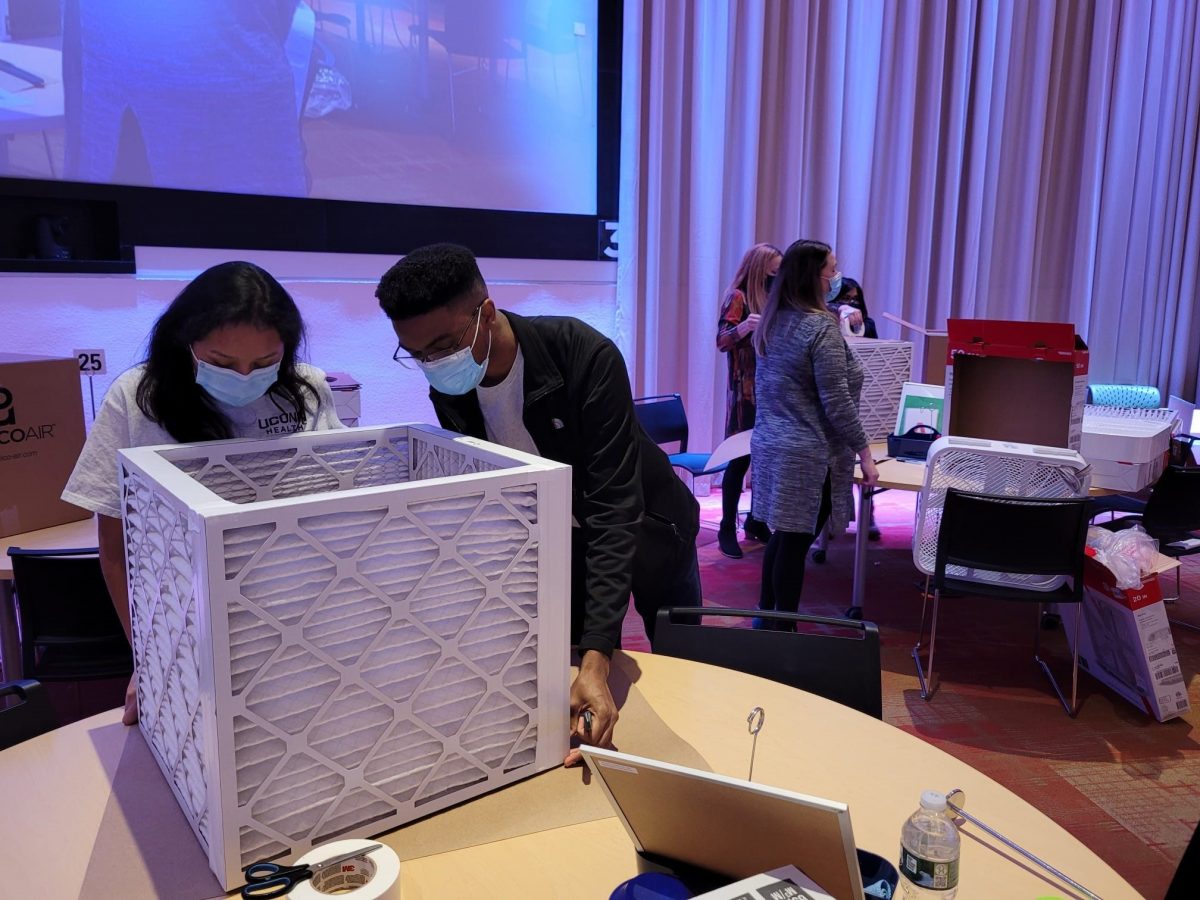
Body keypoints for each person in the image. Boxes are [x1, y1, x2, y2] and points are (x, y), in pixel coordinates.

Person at [375, 243, 701, 766]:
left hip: (652, 527)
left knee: (686, 671)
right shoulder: (451, 388)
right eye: (418, 354)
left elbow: (614, 509)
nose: (434, 364)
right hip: (562, 542)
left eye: (442, 345)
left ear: (486, 312)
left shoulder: (582, 354)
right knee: (569, 667)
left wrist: (598, 661)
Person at [62, 261, 343, 724]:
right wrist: (149, 660)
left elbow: (337, 508)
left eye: (265, 362)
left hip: (299, 613)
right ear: (185, 342)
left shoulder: (306, 389)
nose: (245, 376)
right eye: (222, 362)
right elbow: (114, 549)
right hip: (183, 616)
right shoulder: (135, 399)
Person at [749, 240, 879, 627]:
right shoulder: (817, 326)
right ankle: (782, 630)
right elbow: (836, 400)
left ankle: (765, 617)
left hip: (773, 443)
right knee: (794, 540)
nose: (836, 277)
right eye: (831, 270)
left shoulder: (775, 318)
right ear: (814, 276)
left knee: (784, 535)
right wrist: (866, 453)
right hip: (806, 452)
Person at [715, 242, 780, 559]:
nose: (776, 275)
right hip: (745, 394)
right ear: (758, 267)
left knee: (765, 463)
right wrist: (742, 328)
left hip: (770, 392)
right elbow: (721, 342)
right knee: (739, 461)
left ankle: (755, 520)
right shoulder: (738, 296)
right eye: (772, 269)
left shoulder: (772, 298)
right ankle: (727, 527)